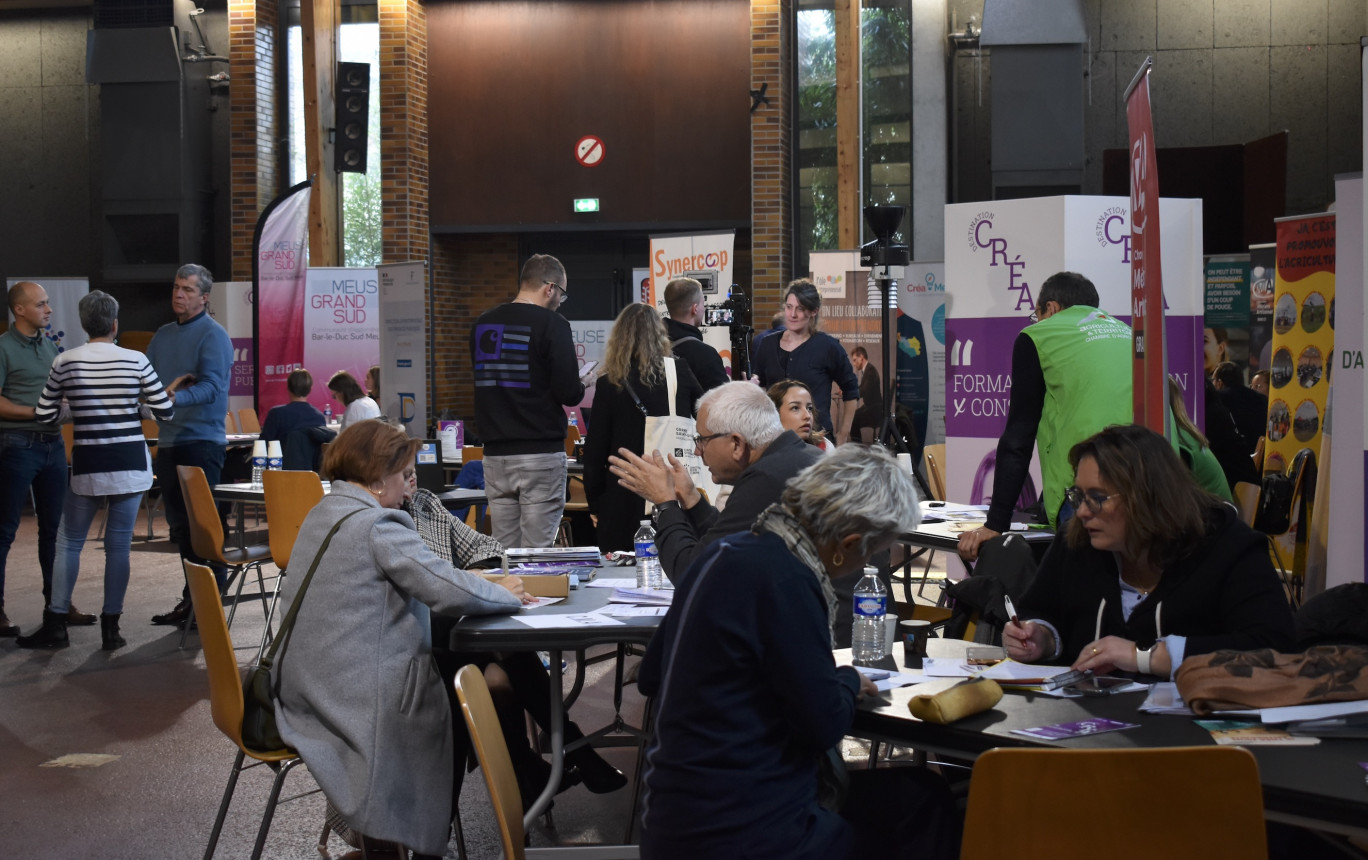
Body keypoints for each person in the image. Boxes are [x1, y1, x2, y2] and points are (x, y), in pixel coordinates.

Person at [638, 446, 958, 860]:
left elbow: (651, 675)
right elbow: (821, 724)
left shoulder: (722, 552)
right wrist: (845, 681)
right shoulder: (788, 579)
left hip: (670, 819)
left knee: (918, 795)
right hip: (743, 831)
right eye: (877, 552)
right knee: (923, 804)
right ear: (849, 544)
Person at [274, 421, 533, 859]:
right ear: (377, 478)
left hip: (305, 682)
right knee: (455, 696)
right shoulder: (378, 525)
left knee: (452, 675)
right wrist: (505, 592)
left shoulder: (325, 511)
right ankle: (444, 833)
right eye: (403, 476)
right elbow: (445, 587)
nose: (410, 489)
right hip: (352, 695)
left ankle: (432, 835)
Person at [402, 475, 627, 807]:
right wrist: (469, 586)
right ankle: (567, 751)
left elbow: (487, 546)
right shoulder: (383, 526)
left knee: (500, 670)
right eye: (403, 472)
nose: (413, 479)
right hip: (415, 652)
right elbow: (423, 602)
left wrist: (476, 575)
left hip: (457, 639)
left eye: (413, 470)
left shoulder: (424, 504)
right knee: (499, 670)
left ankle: (536, 775)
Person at [1003, 424, 1294, 679]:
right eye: (1078, 495)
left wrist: (1145, 656)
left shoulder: (1229, 549)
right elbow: (1041, 609)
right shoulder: (1076, 542)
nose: (1081, 511)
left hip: (1191, 730)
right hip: (1086, 723)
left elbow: (1274, 647)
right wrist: (1041, 636)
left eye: (1097, 498)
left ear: (1147, 498)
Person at [16, 291, 175, 650]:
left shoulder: (65, 362)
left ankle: (56, 623)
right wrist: (135, 407)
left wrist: (79, 410)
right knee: (118, 547)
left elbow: (44, 415)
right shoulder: (136, 360)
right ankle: (111, 629)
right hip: (131, 464)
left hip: (89, 464)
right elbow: (165, 412)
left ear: (84, 325)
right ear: (115, 324)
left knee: (68, 543)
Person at [957, 271, 1131, 561]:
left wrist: (995, 525)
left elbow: (1019, 436)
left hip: (1088, 493)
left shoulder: (1039, 336)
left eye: (1035, 315)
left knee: (1082, 595)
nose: (1035, 322)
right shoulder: (1129, 333)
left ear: (1051, 308)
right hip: (1149, 486)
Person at [607, 381, 825, 586]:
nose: (697, 451)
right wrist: (692, 498)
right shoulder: (799, 458)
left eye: (702, 439)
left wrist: (665, 504)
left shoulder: (767, 478)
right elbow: (726, 543)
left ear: (737, 444)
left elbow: (694, 574)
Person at [470, 254, 589, 548]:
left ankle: (509, 597)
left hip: (495, 456)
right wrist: (584, 382)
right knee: (538, 555)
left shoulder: (482, 325)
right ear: (549, 288)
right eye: (561, 293)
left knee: (505, 554)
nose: (561, 301)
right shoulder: (553, 325)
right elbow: (568, 393)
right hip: (539, 454)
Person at [0, 281, 93, 637]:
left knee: (55, 531)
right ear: (19, 309)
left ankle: (57, 604)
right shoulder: (4, 349)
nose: (49, 310)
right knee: (5, 532)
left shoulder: (50, 346)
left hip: (53, 445)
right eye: (41, 304)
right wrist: (36, 413)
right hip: (17, 445)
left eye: (48, 303)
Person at [144, 264, 234, 627]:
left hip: (201, 441)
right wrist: (156, 398)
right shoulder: (162, 336)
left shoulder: (213, 335)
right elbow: (147, 382)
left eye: (188, 290)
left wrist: (169, 400)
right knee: (180, 529)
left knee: (204, 526)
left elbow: (212, 386)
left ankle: (210, 603)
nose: (179, 294)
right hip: (169, 441)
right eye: (176, 288)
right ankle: (192, 599)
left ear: (204, 297)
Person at [583, 304, 703, 550]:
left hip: (622, 494)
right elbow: (705, 419)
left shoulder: (609, 384)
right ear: (660, 335)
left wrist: (596, 505)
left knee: (622, 576)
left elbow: (595, 452)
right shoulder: (678, 372)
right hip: (671, 489)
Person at [751, 279, 859, 444]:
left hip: (816, 439)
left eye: (800, 309)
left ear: (813, 311)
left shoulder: (828, 346)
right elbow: (762, 387)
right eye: (789, 307)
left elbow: (851, 391)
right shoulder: (767, 344)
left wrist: (844, 433)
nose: (792, 314)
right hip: (775, 438)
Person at [1168, 376, 1233, 501]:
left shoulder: (1179, 442)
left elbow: (1172, 494)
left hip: (1214, 515)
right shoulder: (1184, 434)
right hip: (1216, 511)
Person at [661, 277, 728, 390]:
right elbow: (722, 402)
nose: (704, 308)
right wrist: (747, 389)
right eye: (703, 303)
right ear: (695, 309)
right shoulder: (706, 355)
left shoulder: (652, 346)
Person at [1212, 360, 1266, 455]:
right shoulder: (1262, 399)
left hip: (1229, 459)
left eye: (1213, 380)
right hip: (1258, 459)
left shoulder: (1218, 399)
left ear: (1219, 383)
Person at [259, 368, 326, 444]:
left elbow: (262, 445)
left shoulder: (276, 414)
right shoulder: (319, 417)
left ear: (288, 388)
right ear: (310, 390)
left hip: (283, 455)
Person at [767, 379, 832, 454]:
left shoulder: (825, 448)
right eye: (795, 408)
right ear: (775, 414)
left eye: (809, 408)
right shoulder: (759, 453)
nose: (807, 416)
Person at [848, 345, 884, 444]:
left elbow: (863, 390)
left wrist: (849, 392)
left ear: (861, 358)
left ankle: (857, 449)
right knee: (854, 416)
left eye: (855, 360)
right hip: (872, 407)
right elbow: (862, 387)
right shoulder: (868, 369)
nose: (854, 364)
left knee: (853, 419)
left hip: (875, 410)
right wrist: (849, 390)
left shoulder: (870, 371)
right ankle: (857, 447)